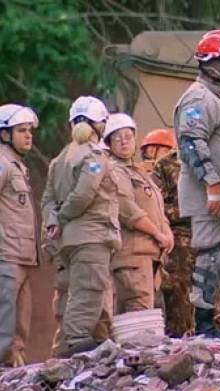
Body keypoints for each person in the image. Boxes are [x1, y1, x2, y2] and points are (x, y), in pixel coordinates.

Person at [174, 29, 220, 336]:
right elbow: (191, 140)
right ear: (211, 65)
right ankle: (204, 324)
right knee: (214, 255)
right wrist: (212, 184)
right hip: (210, 195)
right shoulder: (198, 97)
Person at [41, 96, 120, 357]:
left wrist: (54, 221)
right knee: (88, 292)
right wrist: (63, 217)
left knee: (73, 295)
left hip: (69, 241)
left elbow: (47, 200)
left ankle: (77, 348)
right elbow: (84, 195)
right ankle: (76, 344)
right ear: (100, 125)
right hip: (91, 237)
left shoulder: (60, 159)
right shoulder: (94, 156)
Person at [104, 113, 173, 314]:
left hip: (148, 254)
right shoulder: (115, 172)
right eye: (117, 137)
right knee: (138, 314)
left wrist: (167, 231)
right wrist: (158, 234)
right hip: (131, 256)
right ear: (109, 143)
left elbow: (158, 208)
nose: (124, 141)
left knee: (144, 313)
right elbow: (127, 210)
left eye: (128, 135)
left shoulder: (139, 172)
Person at [0, 104, 40, 366]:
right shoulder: (2, 163)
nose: (28, 136)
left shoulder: (18, 165)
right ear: (5, 135)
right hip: (7, 253)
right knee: (4, 321)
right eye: (21, 130)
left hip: (23, 255)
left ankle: (13, 373)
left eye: (29, 131)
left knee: (19, 325)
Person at [150, 130, 196, 336]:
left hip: (210, 234)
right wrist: (187, 210)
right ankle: (178, 335)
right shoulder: (164, 166)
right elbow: (155, 204)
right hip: (179, 236)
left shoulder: (212, 160)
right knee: (177, 290)